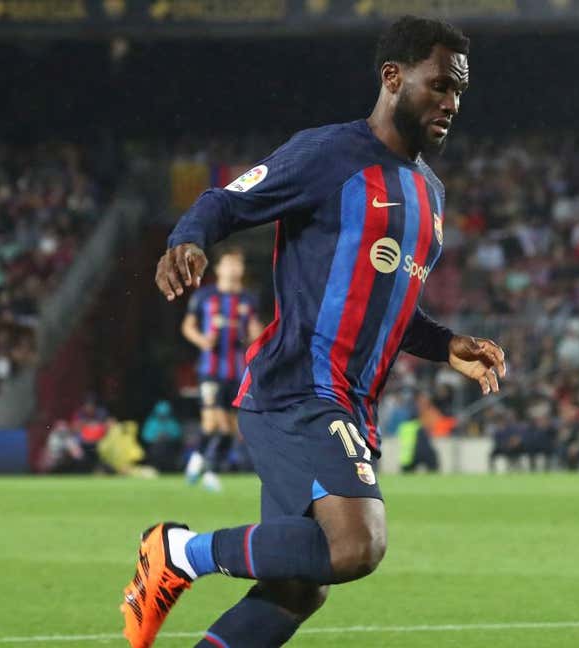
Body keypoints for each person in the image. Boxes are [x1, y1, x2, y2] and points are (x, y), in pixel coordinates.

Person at [126, 16, 505, 648]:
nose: (451, 103)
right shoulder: (331, 154)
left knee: (299, 584)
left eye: (459, 93)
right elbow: (226, 200)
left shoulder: (430, 195)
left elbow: (384, 304)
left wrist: (445, 345)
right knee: (357, 544)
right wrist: (188, 238)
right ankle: (178, 553)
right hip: (300, 385)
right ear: (392, 77)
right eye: (439, 85)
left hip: (346, 400)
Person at [181, 247, 263, 491]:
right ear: (218, 268)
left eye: (237, 264)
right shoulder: (205, 297)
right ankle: (198, 464)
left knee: (230, 429)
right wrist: (202, 340)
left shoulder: (248, 300)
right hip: (210, 369)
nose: (233, 269)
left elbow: (255, 331)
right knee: (210, 422)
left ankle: (207, 467)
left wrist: (255, 339)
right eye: (229, 263)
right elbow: (188, 326)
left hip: (236, 371)